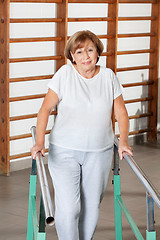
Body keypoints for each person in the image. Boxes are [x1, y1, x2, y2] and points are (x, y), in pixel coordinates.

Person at [31, 30, 133, 240]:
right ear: (72, 56)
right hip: (65, 151)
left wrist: (123, 141)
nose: (85, 56)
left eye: (90, 50)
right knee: (69, 208)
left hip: (100, 152)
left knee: (91, 209)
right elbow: (45, 109)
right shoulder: (64, 75)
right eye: (79, 52)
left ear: (97, 52)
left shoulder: (108, 77)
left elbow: (121, 112)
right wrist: (40, 141)